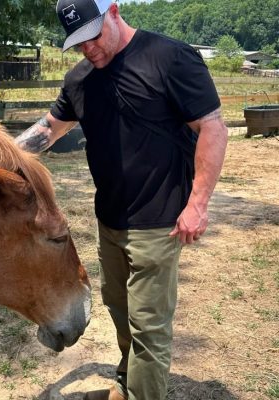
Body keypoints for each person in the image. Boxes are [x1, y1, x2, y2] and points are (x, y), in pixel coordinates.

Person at [15, 0, 228, 398]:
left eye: (93, 36)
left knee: (149, 326)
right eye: (78, 44)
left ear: (113, 11)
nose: (88, 49)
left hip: (159, 222)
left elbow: (213, 128)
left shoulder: (169, 58)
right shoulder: (80, 80)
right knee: (119, 307)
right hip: (110, 221)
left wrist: (197, 205)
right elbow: (49, 129)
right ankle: (128, 383)